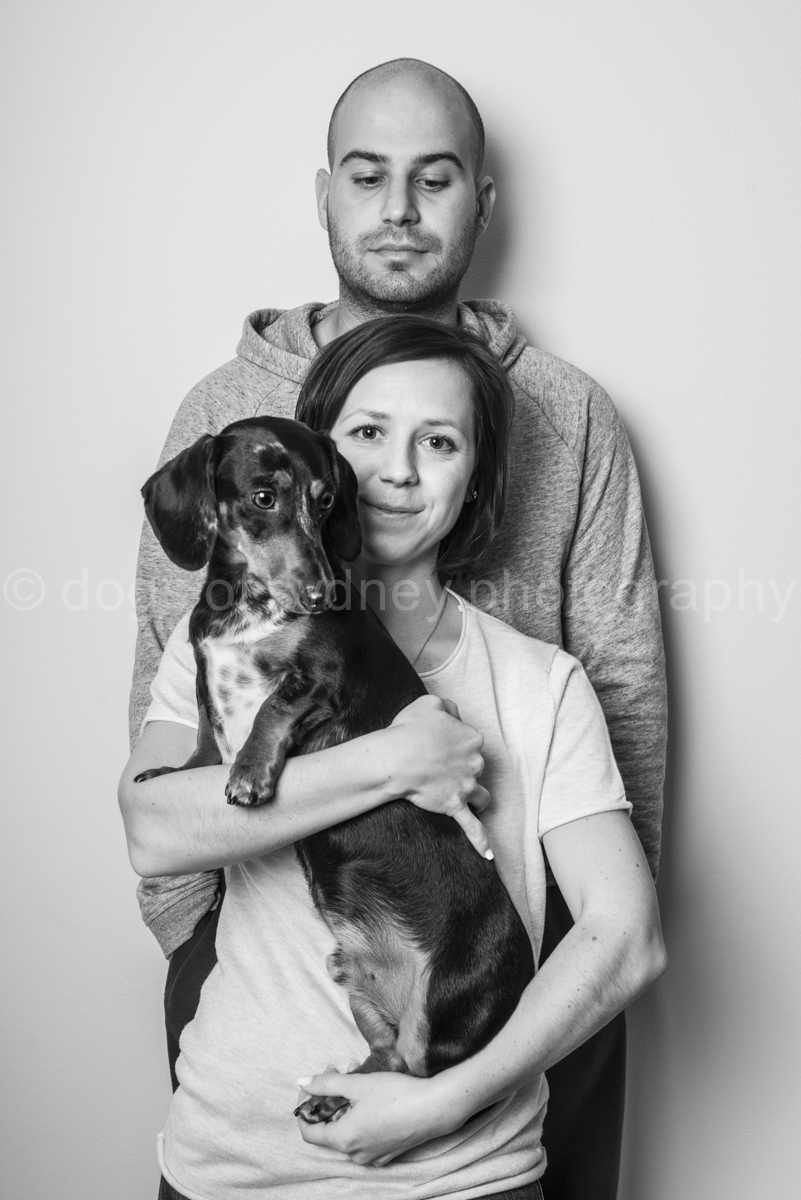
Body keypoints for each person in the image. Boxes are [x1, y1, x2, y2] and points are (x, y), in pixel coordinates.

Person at [129, 58, 667, 1200]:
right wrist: (199, 942)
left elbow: (620, 702)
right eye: (368, 175)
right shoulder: (222, 424)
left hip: (487, 971)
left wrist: (538, 993)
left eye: (435, 176)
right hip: (247, 1058)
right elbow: (164, 769)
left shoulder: (566, 439)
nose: (394, 475)